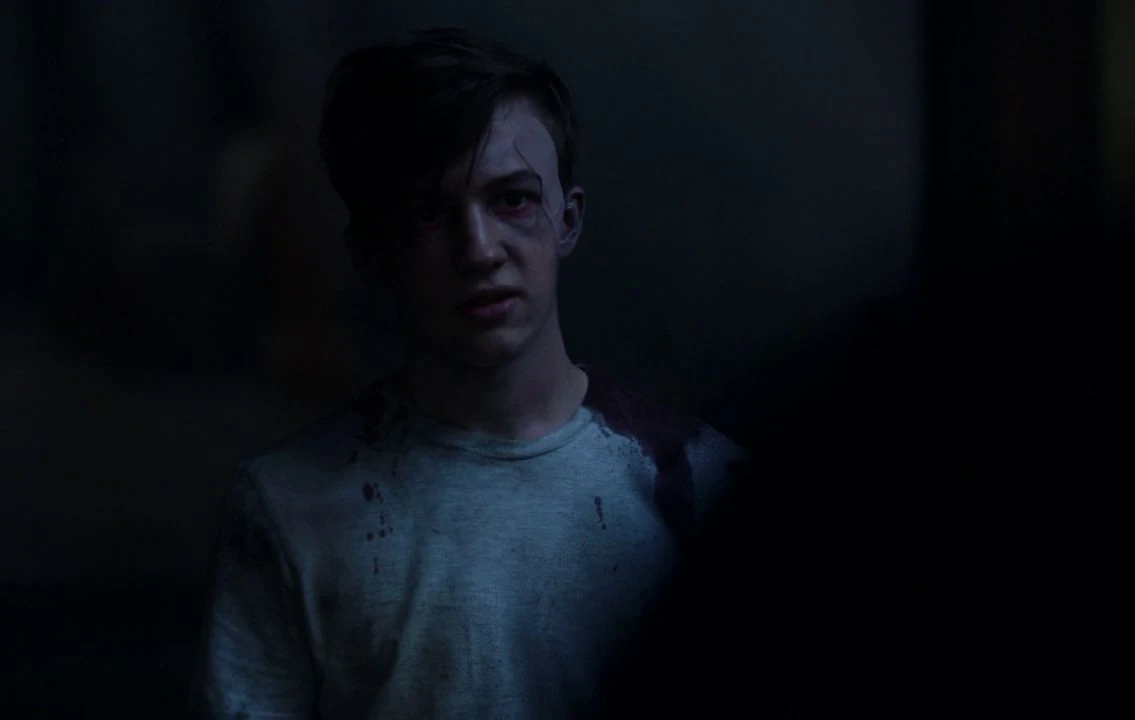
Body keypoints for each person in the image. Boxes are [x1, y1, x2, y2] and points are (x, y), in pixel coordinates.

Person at [189, 26, 746, 719]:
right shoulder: (286, 508)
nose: (479, 250)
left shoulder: (705, 488)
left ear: (568, 220)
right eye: (428, 213)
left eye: (512, 199)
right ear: (371, 253)